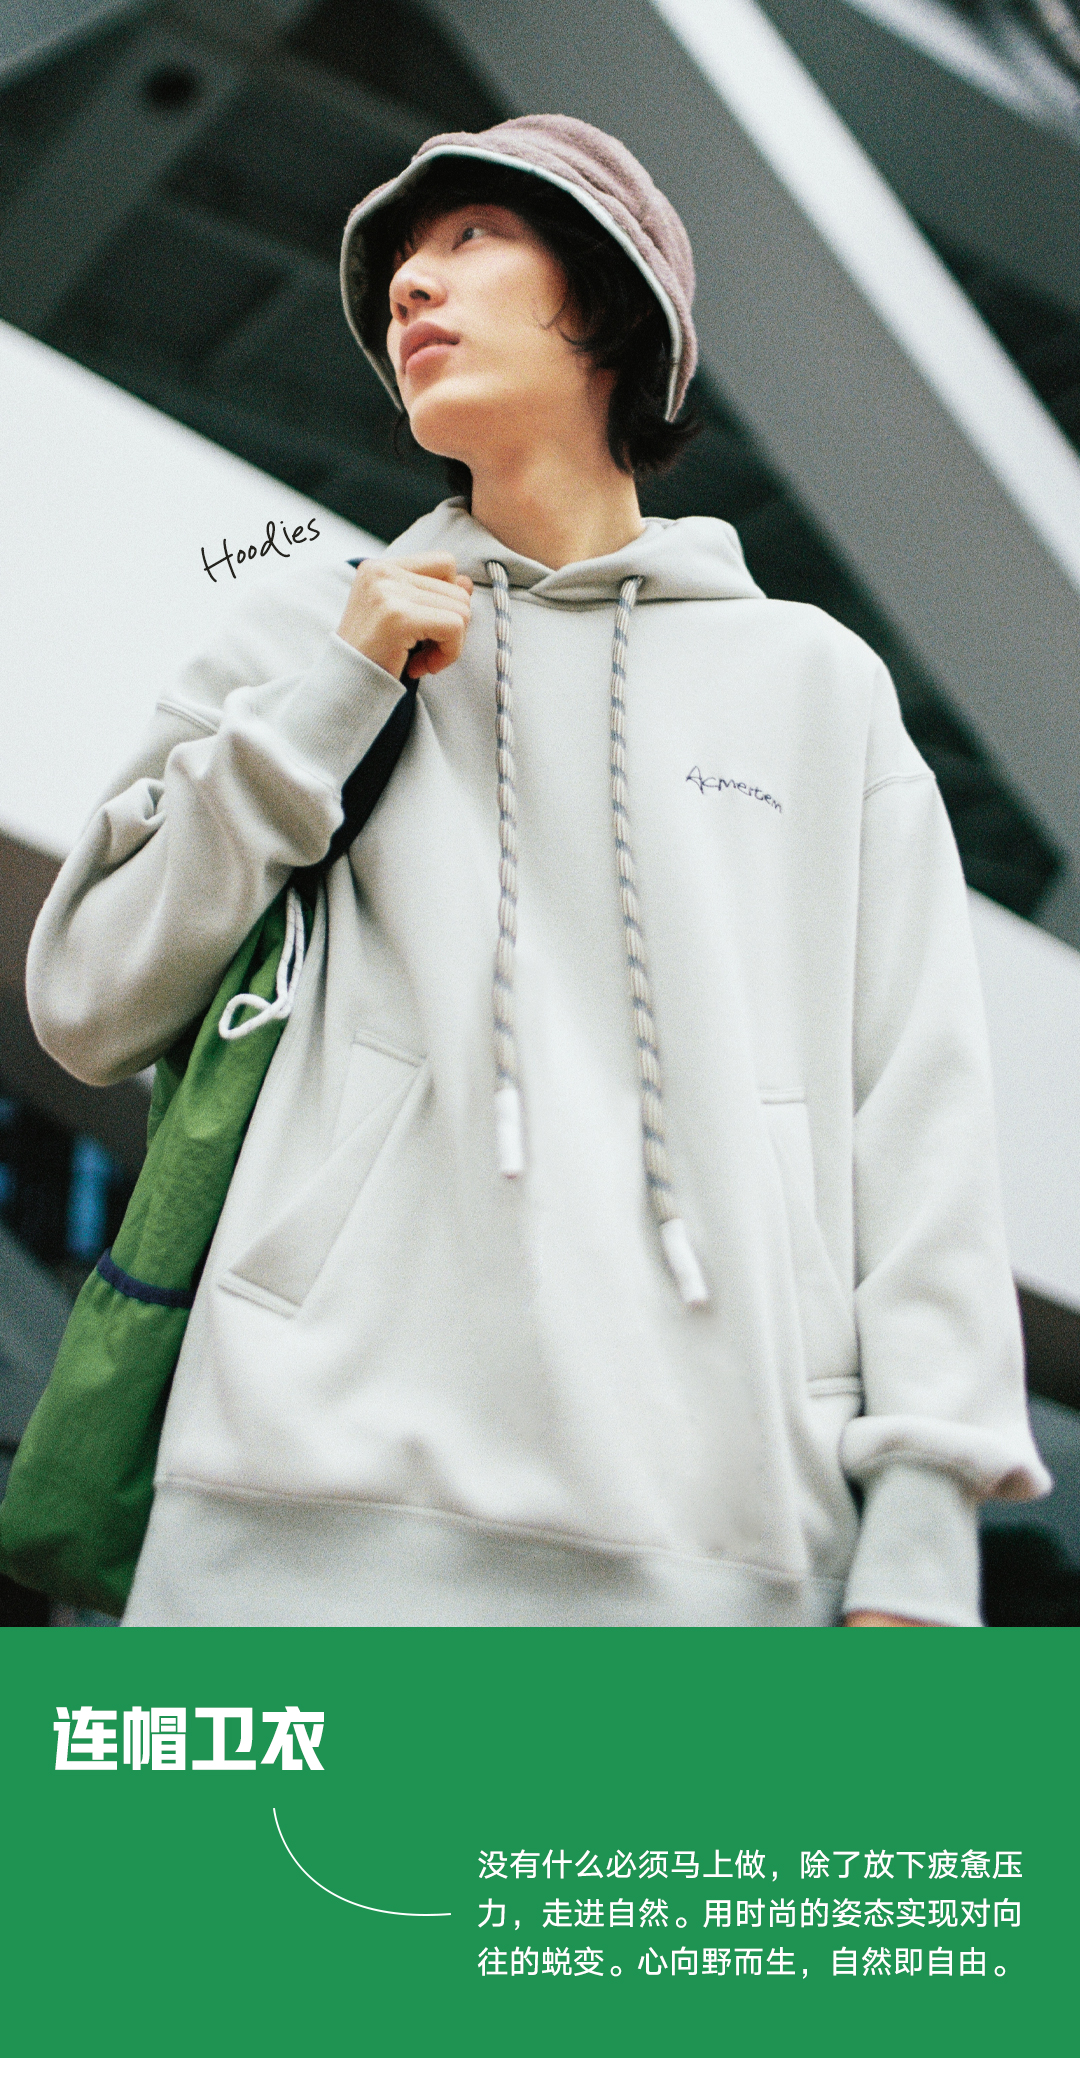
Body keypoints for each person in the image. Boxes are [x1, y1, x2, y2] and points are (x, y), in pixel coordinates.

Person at [26, 115, 1048, 1627]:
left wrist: (919, 1542)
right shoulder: (309, 633)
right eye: (399, 267)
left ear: (614, 300)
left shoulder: (812, 685)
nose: (409, 287)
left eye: (472, 239)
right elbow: (88, 1002)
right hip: (286, 1512)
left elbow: (919, 1119)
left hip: (718, 1544)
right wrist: (334, 698)